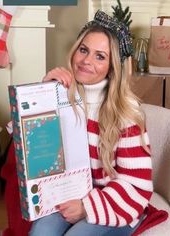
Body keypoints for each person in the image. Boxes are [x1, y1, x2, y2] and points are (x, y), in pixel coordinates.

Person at [29, 10, 153, 236]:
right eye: (84, 50)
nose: (86, 61)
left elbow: (136, 183)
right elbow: (31, 147)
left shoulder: (126, 111)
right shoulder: (62, 94)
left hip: (116, 204)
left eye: (100, 56)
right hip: (68, 195)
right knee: (42, 232)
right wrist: (43, 93)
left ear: (112, 66)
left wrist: (87, 206)